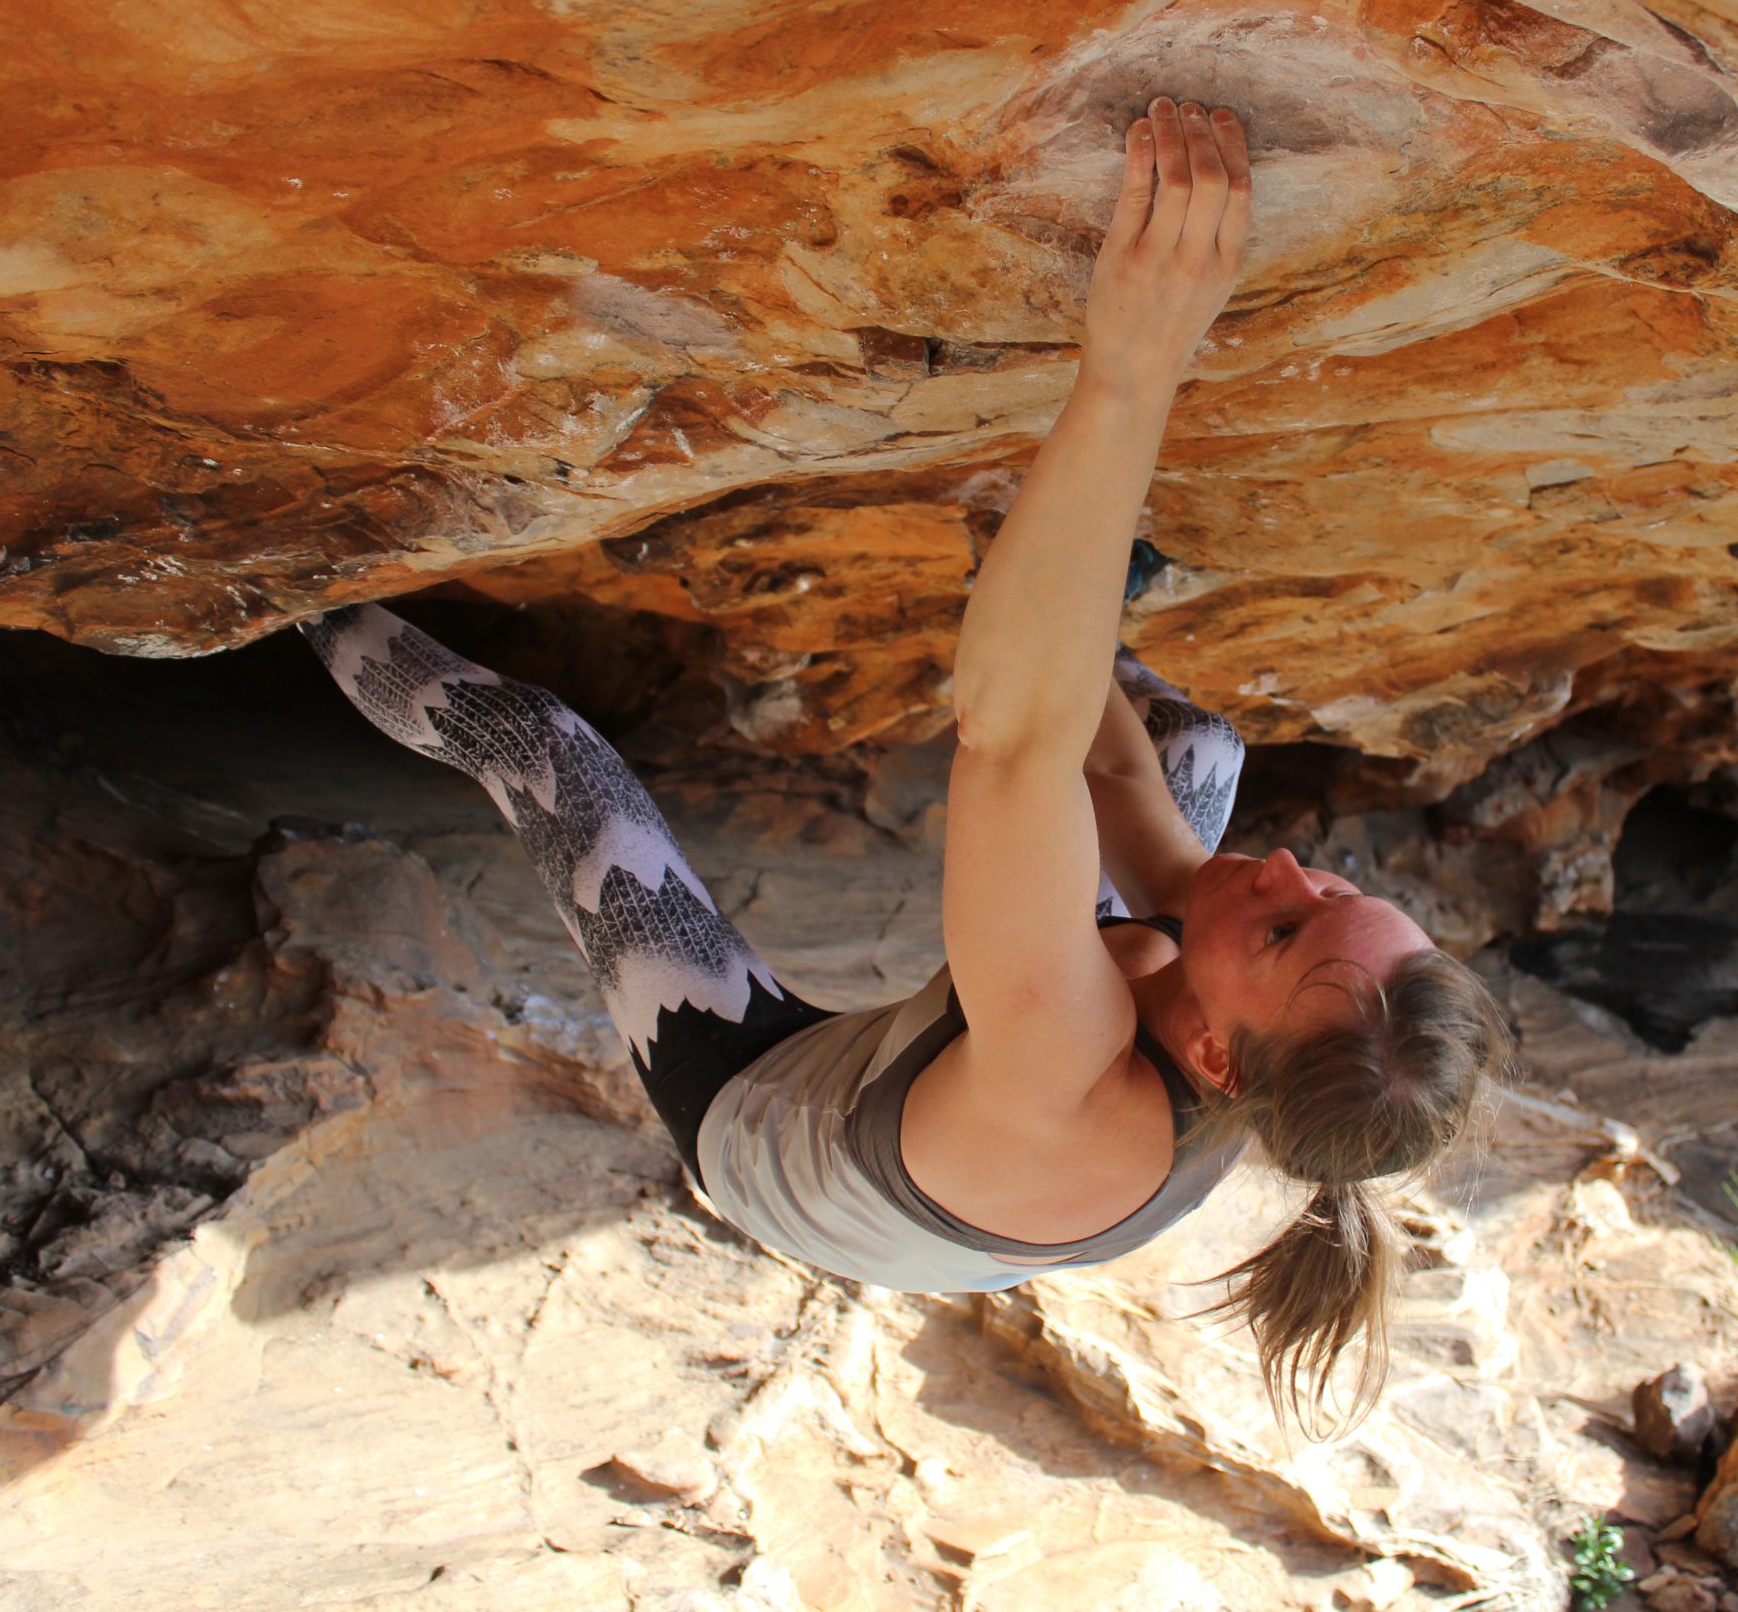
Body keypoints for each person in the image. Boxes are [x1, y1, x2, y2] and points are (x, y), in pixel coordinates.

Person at [303, 95, 1510, 1437]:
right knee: (1194, 755)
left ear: (1220, 1052)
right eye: (1332, 886)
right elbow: (1115, 792)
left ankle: (290, 580)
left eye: (1288, 922)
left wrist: (1133, 365)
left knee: (544, 750)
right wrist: (1036, 569)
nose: (1284, 866)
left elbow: (1013, 738)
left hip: (767, 1129)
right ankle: (1051, 578)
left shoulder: (1072, 1061)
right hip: (994, 1112)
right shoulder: (1245, 1018)